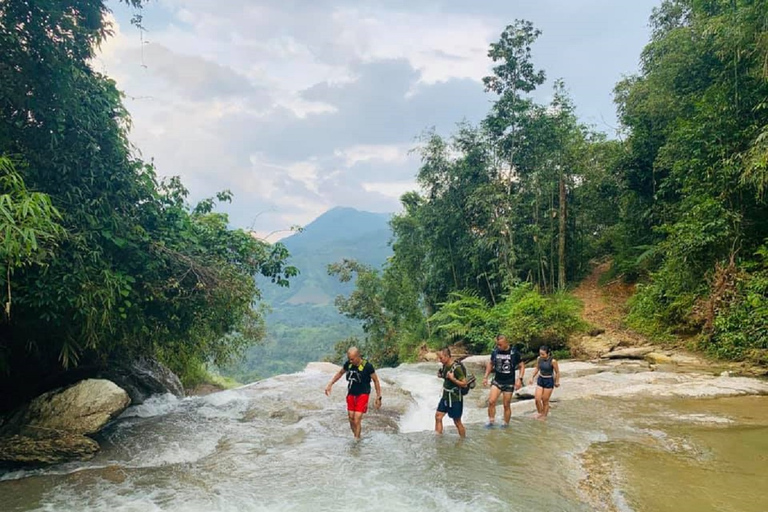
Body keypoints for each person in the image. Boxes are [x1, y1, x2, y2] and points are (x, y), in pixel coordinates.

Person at [325, 347, 382, 440]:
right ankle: (357, 436)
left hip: (363, 393)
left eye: (352, 359)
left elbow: (376, 380)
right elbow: (340, 373)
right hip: (351, 393)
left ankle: (356, 440)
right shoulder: (349, 364)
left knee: (357, 418)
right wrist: (330, 384)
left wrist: (378, 396)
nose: (350, 361)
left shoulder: (367, 366)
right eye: (349, 359)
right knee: (351, 418)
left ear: (358, 356)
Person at [482, 334, 525, 427]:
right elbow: (491, 363)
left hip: (509, 382)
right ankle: (491, 421)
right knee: (491, 401)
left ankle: (506, 424)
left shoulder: (514, 352)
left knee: (506, 405)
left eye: (500, 345)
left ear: (506, 343)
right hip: (497, 381)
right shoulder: (495, 351)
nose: (499, 347)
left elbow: (522, 366)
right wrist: (485, 376)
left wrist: (520, 379)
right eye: (497, 344)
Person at [435, 347, 467, 438]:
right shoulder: (445, 366)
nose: (440, 360)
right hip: (445, 396)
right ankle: (438, 439)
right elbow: (447, 378)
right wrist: (441, 376)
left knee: (457, 422)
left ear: (448, 356)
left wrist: (453, 379)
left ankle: (463, 440)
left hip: (455, 398)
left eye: (441, 358)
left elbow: (464, 383)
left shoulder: (456, 368)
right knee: (438, 416)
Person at [528, 345, 560, 420]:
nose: (541, 355)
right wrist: (531, 377)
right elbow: (537, 368)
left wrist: (557, 381)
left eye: (543, 354)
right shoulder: (539, 359)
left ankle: (544, 416)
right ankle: (540, 413)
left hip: (548, 380)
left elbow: (557, 372)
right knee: (537, 399)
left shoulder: (553, 361)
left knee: (545, 400)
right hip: (541, 379)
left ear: (548, 354)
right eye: (540, 354)